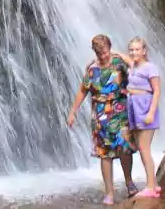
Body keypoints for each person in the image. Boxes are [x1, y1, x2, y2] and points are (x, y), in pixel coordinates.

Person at [66, 34, 137, 205]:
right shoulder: (92, 69)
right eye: (99, 54)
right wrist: (73, 112)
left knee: (124, 149)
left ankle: (129, 183)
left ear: (109, 48)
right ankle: (110, 192)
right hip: (100, 116)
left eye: (105, 52)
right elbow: (83, 90)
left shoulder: (119, 63)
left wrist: (122, 55)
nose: (103, 56)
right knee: (104, 154)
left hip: (120, 112)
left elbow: (137, 69)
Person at [124, 38, 162, 198]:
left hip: (145, 108)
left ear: (144, 51)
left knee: (144, 149)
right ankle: (154, 184)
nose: (134, 52)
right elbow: (126, 58)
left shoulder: (150, 68)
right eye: (131, 49)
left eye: (137, 49)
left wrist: (151, 113)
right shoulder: (133, 66)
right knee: (138, 146)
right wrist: (113, 53)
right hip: (133, 109)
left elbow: (157, 91)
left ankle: (151, 187)